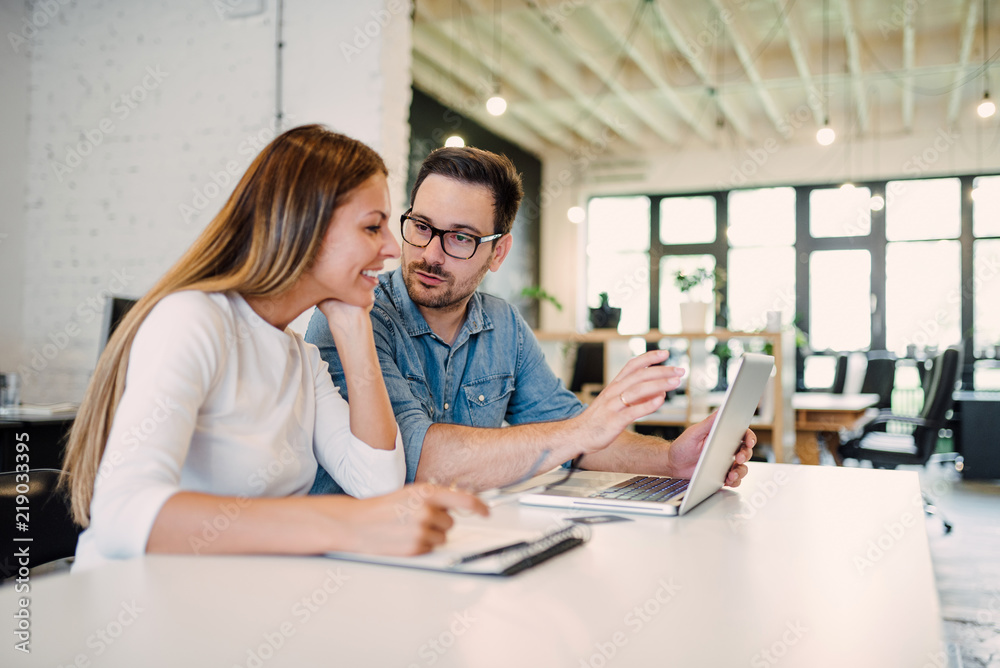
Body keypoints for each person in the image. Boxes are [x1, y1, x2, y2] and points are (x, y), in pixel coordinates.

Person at [62, 126, 486, 571]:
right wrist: (345, 524)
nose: (392, 248)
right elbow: (120, 514)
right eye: (371, 226)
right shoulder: (193, 319)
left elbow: (378, 486)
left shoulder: (300, 358)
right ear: (304, 227)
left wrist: (353, 323)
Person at [306, 146, 755, 494]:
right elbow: (415, 461)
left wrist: (672, 460)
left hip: (451, 542)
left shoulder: (503, 325)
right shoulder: (357, 315)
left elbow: (576, 437)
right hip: (354, 557)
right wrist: (580, 430)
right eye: (421, 226)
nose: (430, 254)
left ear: (498, 252)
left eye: (460, 237)